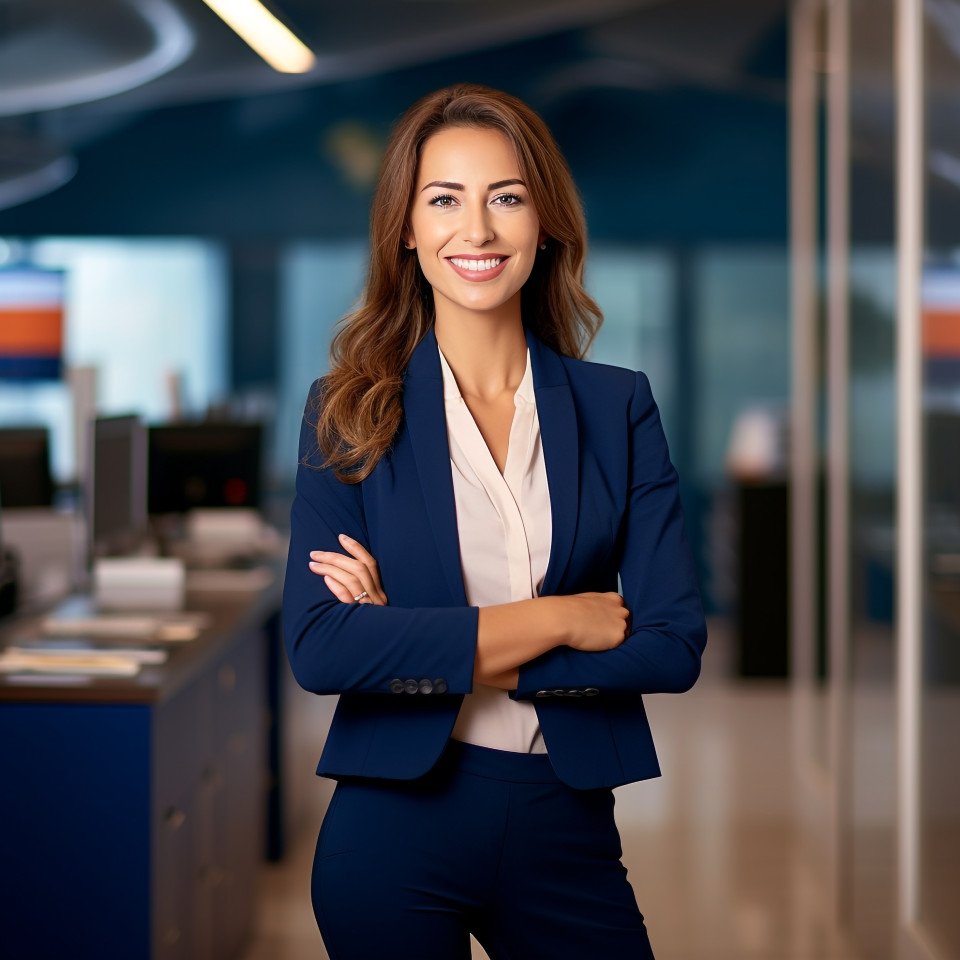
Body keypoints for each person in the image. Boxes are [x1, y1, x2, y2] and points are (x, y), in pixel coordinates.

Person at [282, 83, 707, 960]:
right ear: (406, 227)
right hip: (392, 825)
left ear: (544, 221)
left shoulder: (617, 406)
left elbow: (672, 644)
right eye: (444, 200)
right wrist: (561, 618)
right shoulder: (349, 412)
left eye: (505, 198)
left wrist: (418, 638)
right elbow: (323, 649)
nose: (475, 231)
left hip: (567, 820)